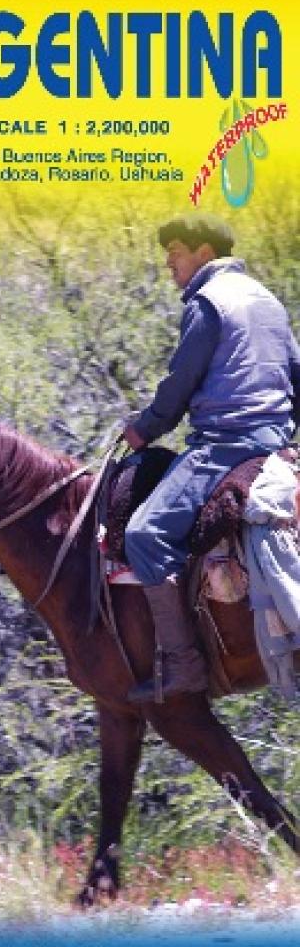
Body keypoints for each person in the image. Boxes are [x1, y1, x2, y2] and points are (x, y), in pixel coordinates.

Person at [123, 212, 300, 702]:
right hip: (276, 442)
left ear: (203, 253)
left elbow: (181, 383)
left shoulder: (207, 302)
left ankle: (184, 665)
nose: (169, 266)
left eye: (174, 254)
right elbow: (298, 377)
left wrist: (145, 428)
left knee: (145, 534)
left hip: (224, 444)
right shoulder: (270, 302)